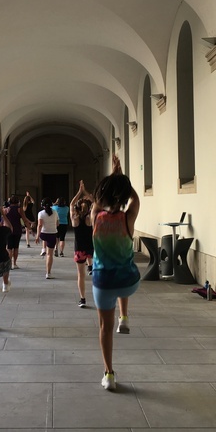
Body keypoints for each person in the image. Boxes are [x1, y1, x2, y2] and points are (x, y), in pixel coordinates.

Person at [91, 154, 140, 391]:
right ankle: (125, 317)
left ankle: (109, 374)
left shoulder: (96, 218)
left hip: (103, 283)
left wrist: (112, 178)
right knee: (123, 272)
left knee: (104, 328)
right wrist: (121, 179)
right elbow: (135, 199)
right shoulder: (128, 218)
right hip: (129, 281)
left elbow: (98, 201)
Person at [70, 180, 94, 308]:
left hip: (79, 250)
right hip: (90, 248)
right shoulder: (90, 218)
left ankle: (82, 299)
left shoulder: (74, 218)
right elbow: (96, 203)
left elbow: (71, 203)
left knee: (81, 275)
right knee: (94, 271)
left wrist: (79, 192)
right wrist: (85, 192)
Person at [4, 194, 31, 269]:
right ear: (18, 202)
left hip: (8, 230)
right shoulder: (20, 209)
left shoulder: (6, 209)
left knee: (9, 248)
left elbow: (2, 220)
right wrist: (30, 229)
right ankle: (14, 263)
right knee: (16, 247)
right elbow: (24, 220)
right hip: (17, 230)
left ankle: (8, 264)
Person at [35, 197, 59, 279]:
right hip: (52, 234)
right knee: (50, 255)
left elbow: (39, 225)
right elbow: (58, 224)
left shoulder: (40, 213)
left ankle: (43, 248)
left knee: (44, 239)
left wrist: (37, 236)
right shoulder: (55, 212)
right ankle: (48, 273)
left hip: (43, 234)